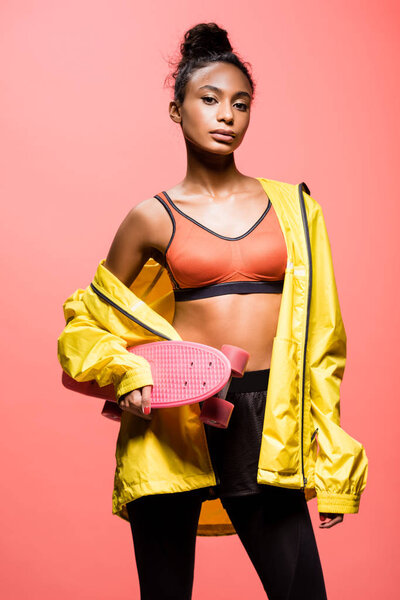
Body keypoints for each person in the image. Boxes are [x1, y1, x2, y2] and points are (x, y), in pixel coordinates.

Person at [57, 22, 368, 600]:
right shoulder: (151, 217)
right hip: (174, 420)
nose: (227, 115)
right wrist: (126, 373)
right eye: (209, 99)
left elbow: (325, 341)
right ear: (176, 111)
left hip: (269, 419)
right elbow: (86, 321)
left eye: (241, 103)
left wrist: (333, 461)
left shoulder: (297, 208)